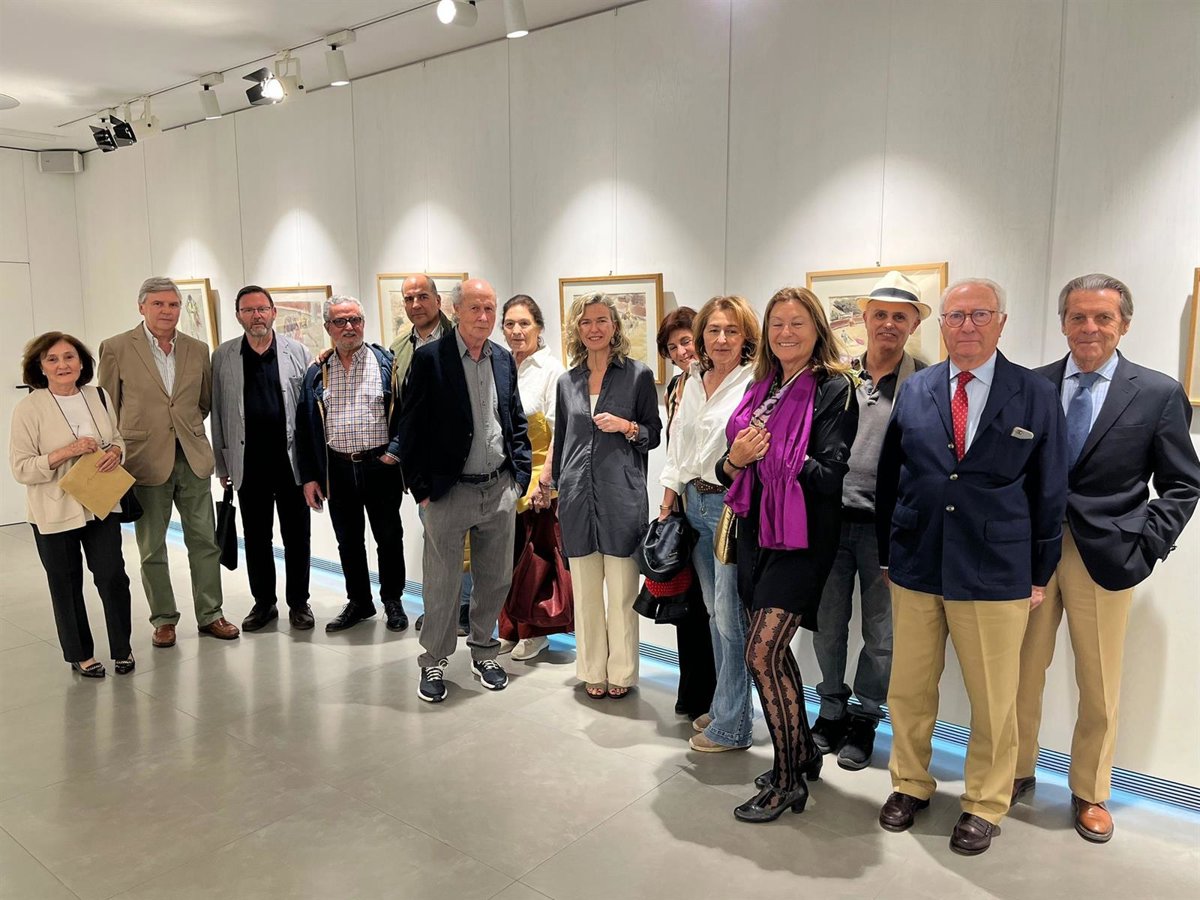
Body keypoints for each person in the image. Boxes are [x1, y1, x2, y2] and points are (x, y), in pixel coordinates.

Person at [875, 277, 1068, 856]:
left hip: (996, 566)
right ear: (942, 325)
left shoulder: (1034, 393)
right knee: (909, 687)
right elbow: (890, 475)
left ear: (1001, 322)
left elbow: (1049, 488)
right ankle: (910, 783)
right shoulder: (917, 388)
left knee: (994, 698)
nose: (966, 326)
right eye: (956, 316)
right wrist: (887, 552)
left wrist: (1039, 571)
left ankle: (985, 802)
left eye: (980, 315)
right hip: (917, 559)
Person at [1014, 274, 1200, 843]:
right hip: (1030, 554)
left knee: (1098, 684)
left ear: (1124, 324)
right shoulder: (1032, 385)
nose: (1089, 328)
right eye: (1078, 316)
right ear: (1063, 322)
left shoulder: (1157, 393)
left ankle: (1090, 790)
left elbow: (1183, 484)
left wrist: (1147, 545)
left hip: (1107, 555)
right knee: (1018, 673)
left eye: (1103, 317)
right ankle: (1013, 771)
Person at [714, 286, 858, 822]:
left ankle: (787, 780)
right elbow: (726, 471)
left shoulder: (834, 388)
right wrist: (738, 457)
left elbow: (829, 476)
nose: (785, 333)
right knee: (772, 653)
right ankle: (801, 754)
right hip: (754, 532)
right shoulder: (762, 386)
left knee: (760, 653)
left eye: (797, 323)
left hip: (802, 537)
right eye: (776, 324)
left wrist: (772, 449)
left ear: (817, 329)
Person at [812, 271, 928, 770]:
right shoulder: (837, 377)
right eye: (880, 314)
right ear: (864, 319)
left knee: (883, 635)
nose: (888, 324)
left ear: (914, 324)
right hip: (830, 521)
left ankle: (865, 717)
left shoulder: (925, 384)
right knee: (827, 625)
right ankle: (830, 709)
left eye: (900, 316)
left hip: (888, 530)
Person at [398, 278, 531, 702]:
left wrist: (519, 477)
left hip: (498, 489)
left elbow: (514, 420)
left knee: (493, 580)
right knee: (442, 584)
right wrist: (421, 489)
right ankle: (434, 661)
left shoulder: (503, 359)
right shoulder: (430, 359)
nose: (484, 317)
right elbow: (410, 427)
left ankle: (484, 652)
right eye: (475, 308)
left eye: (490, 308)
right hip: (448, 492)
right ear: (456, 310)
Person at [99, 276, 238, 646]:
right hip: (144, 462)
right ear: (141, 307)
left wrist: (182, 428)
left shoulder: (197, 348)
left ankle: (211, 614)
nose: (167, 311)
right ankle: (163, 619)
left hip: (192, 458)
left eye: (173, 304)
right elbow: (107, 407)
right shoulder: (116, 348)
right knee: (152, 548)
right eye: (158, 304)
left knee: (205, 542)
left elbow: (202, 402)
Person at [659, 296, 760, 753]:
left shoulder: (754, 381)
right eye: (714, 330)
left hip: (729, 506)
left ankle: (735, 724)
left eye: (731, 331)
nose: (721, 339)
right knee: (714, 613)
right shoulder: (694, 380)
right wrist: (668, 502)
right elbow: (679, 447)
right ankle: (724, 708)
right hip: (693, 502)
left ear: (746, 337)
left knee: (730, 617)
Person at [553, 292, 662, 699]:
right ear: (577, 329)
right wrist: (560, 489)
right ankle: (591, 670)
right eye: (586, 322)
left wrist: (626, 426)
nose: (594, 328)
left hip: (622, 498)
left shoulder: (637, 376)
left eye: (601, 320)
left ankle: (622, 672)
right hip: (577, 499)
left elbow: (653, 434)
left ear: (615, 326)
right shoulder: (567, 382)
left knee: (621, 595)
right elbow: (563, 440)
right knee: (585, 595)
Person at [10, 333, 134, 677]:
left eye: (69, 357)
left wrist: (116, 452)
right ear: (40, 367)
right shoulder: (29, 408)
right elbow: (21, 468)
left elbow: (117, 438)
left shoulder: (99, 395)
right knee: (65, 584)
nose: (62, 365)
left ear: (82, 362)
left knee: (112, 576)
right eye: (52, 359)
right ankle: (81, 655)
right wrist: (67, 452)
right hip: (53, 510)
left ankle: (122, 648)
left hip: (101, 504)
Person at [296, 296, 407, 633]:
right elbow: (304, 428)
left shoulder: (386, 364)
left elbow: (406, 412)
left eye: (355, 320)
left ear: (363, 323)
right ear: (328, 327)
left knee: (389, 537)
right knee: (348, 541)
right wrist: (310, 477)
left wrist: (395, 451)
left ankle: (393, 601)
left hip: (380, 466)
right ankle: (359, 601)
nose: (349, 327)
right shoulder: (317, 372)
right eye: (340, 321)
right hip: (338, 469)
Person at [211, 285, 314, 631]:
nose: (256, 316)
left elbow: (310, 412)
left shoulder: (297, 352)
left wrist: (313, 467)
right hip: (248, 462)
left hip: (290, 463)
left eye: (262, 309)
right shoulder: (224, 356)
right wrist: (222, 463)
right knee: (256, 538)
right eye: (248, 310)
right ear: (238, 316)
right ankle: (264, 603)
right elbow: (218, 412)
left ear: (273, 313)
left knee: (297, 536)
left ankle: (299, 603)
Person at [388, 274, 471, 638]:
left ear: (439, 301)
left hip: (465, 461)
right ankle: (440, 607)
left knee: (466, 543)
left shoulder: (463, 339)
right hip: (426, 469)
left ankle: (464, 607)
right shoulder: (399, 348)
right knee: (436, 542)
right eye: (409, 298)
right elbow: (402, 409)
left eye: (423, 296)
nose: (416, 304)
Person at [497, 293, 572, 660]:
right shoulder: (498, 364)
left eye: (524, 323)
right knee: (504, 555)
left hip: (539, 475)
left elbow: (560, 430)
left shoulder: (551, 370)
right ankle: (509, 628)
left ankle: (535, 631)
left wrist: (547, 480)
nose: (516, 330)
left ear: (539, 328)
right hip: (503, 473)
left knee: (537, 557)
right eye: (509, 324)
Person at [656, 308, 717, 720]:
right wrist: (667, 503)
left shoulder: (721, 380)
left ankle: (717, 698)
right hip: (683, 504)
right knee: (687, 603)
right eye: (672, 346)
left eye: (686, 341)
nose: (681, 351)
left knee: (717, 607)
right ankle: (692, 691)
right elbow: (675, 452)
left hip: (716, 502)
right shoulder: (676, 387)